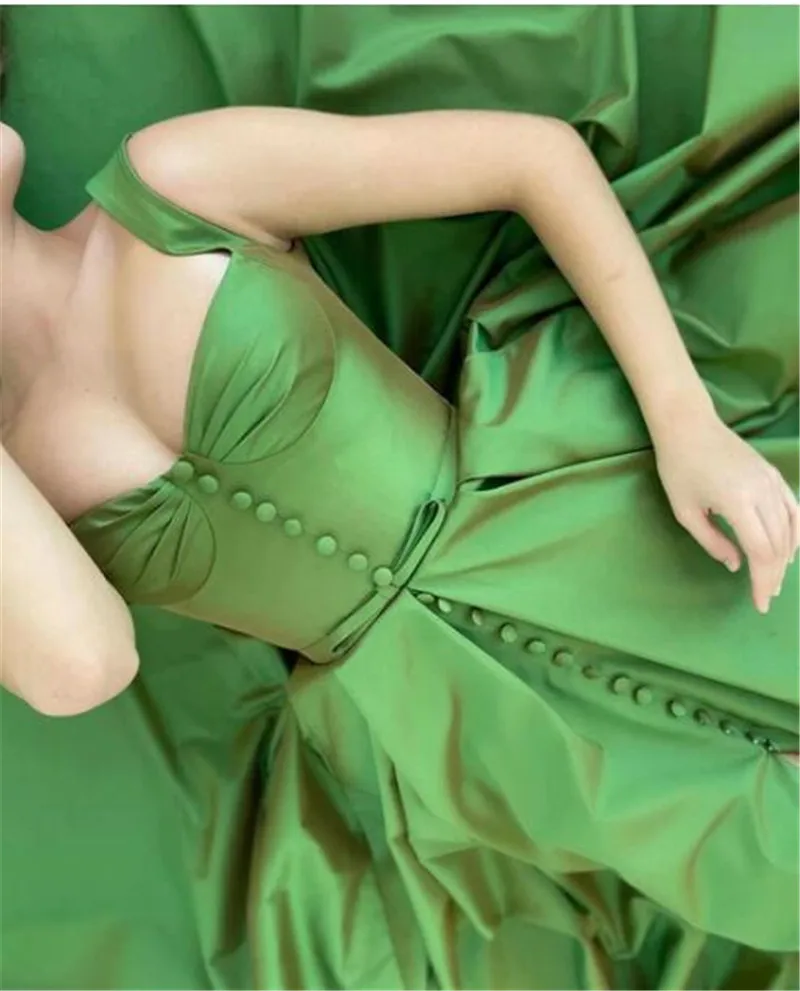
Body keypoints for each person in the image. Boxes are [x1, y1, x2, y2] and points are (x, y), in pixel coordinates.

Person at [1, 108, 798, 985]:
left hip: (566, 514)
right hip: (458, 728)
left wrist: (686, 421)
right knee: (769, 873)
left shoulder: (171, 183)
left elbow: (532, 157)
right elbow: (85, 665)